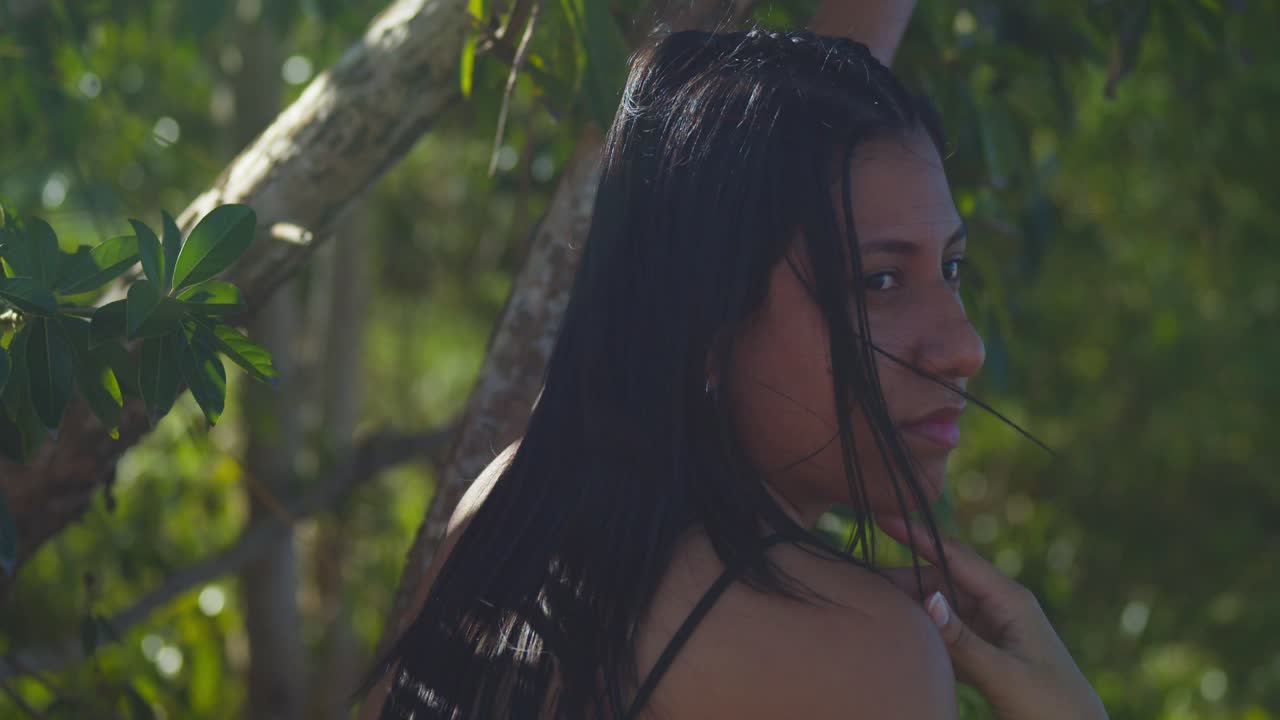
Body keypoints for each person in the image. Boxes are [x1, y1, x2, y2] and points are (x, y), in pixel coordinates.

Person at [362, 10, 1108, 720]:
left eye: (951, 268)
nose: (965, 347)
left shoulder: (515, 513)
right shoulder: (860, 657)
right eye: (880, 281)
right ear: (709, 323)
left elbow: (761, 185)